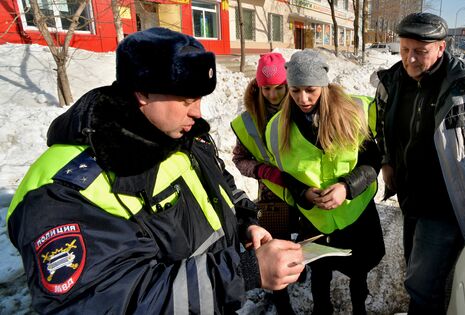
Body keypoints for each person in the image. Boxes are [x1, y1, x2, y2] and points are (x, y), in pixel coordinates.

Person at [6, 27, 304, 314]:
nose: (197, 112)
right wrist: (242, 273)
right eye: (187, 100)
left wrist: (244, 222)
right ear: (142, 93)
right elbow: (114, 301)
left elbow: (219, 184)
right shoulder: (65, 191)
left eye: (199, 98)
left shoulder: (180, 132)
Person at [374, 13, 465, 314]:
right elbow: (381, 123)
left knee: (421, 286)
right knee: (420, 267)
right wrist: (387, 161)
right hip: (410, 197)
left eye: (420, 52)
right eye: (404, 50)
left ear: (441, 48)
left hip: (446, 202)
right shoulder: (392, 81)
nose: (410, 59)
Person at [265, 50, 385, 315]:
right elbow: (284, 175)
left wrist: (346, 187)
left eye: (310, 90)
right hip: (315, 219)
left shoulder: (352, 113)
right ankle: (322, 309)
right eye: (295, 91)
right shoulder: (277, 128)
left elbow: (372, 162)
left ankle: (358, 306)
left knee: (359, 268)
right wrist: (304, 193)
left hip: (356, 213)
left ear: (323, 85)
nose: (303, 99)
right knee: (320, 271)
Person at [230, 52, 296, 314]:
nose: (273, 94)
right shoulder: (249, 119)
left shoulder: (300, 105)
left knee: (303, 239)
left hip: (304, 189)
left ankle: (298, 271)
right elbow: (238, 159)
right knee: (275, 244)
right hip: (271, 193)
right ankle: (282, 301)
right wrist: (263, 171)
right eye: (266, 88)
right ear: (258, 86)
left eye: (279, 88)